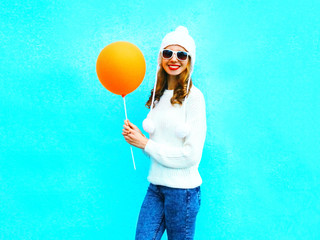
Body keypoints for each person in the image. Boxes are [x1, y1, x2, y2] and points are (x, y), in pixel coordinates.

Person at [122, 26, 207, 240]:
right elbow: (158, 146)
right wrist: (138, 139)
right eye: (168, 53)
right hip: (156, 187)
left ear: (190, 60)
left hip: (183, 192)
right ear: (161, 57)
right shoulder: (158, 96)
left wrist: (145, 144)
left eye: (182, 54)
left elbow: (190, 156)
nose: (174, 59)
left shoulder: (195, 98)